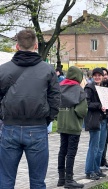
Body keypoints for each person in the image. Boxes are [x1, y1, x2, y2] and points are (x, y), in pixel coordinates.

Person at [0, 29, 60, 189]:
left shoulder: (3, 69)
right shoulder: (48, 70)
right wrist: (47, 119)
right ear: (36, 45)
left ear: (16, 46)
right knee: (38, 182)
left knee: (5, 180)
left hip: (10, 127)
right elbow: (55, 99)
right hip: (37, 127)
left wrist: (3, 116)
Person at [57, 66, 87, 188]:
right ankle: (69, 180)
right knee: (71, 152)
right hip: (74, 126)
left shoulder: (60, 87)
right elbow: (82, 111)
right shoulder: (79, 90)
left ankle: (61, 178)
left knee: (62, 151)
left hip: (62, 124)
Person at [84, 68, 107, 180]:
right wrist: (99, 105)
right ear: (93, 76)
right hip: (94, 119)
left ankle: (96, 169)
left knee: (100, 147)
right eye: (95, 75)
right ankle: (89, 170)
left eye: (99, 75)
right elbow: (86, 103)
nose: (97, 77)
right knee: (93, 146)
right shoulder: (89, 88)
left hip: (103, 119)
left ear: (103, 77)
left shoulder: (102, 88)